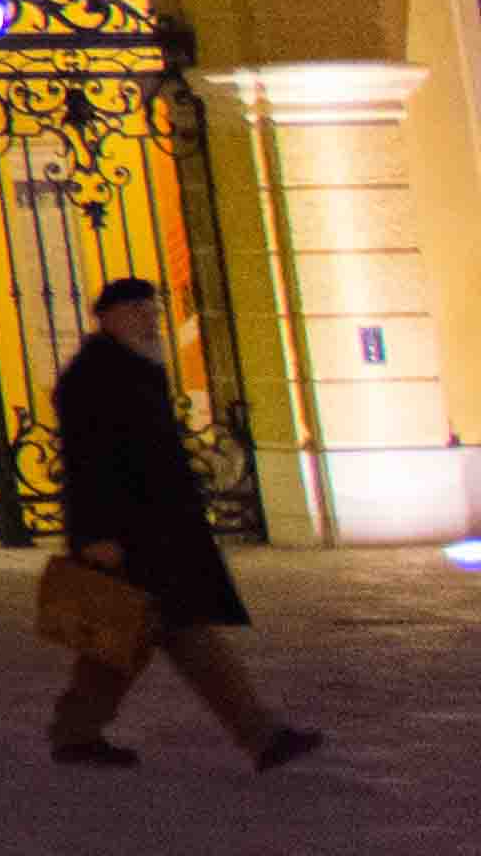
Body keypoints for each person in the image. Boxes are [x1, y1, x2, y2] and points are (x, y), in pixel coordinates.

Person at [48, 278, 319, 773]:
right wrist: (95, 535)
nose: (149, 319)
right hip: (132, 534)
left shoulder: (134, 368)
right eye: (136, 311)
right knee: (159, 631)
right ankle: (261, 736)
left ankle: (76, 732)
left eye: (152, 310)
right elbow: (88, 464)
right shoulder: (95, 377)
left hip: (157, 531)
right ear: (106, 316)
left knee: (129, 633)